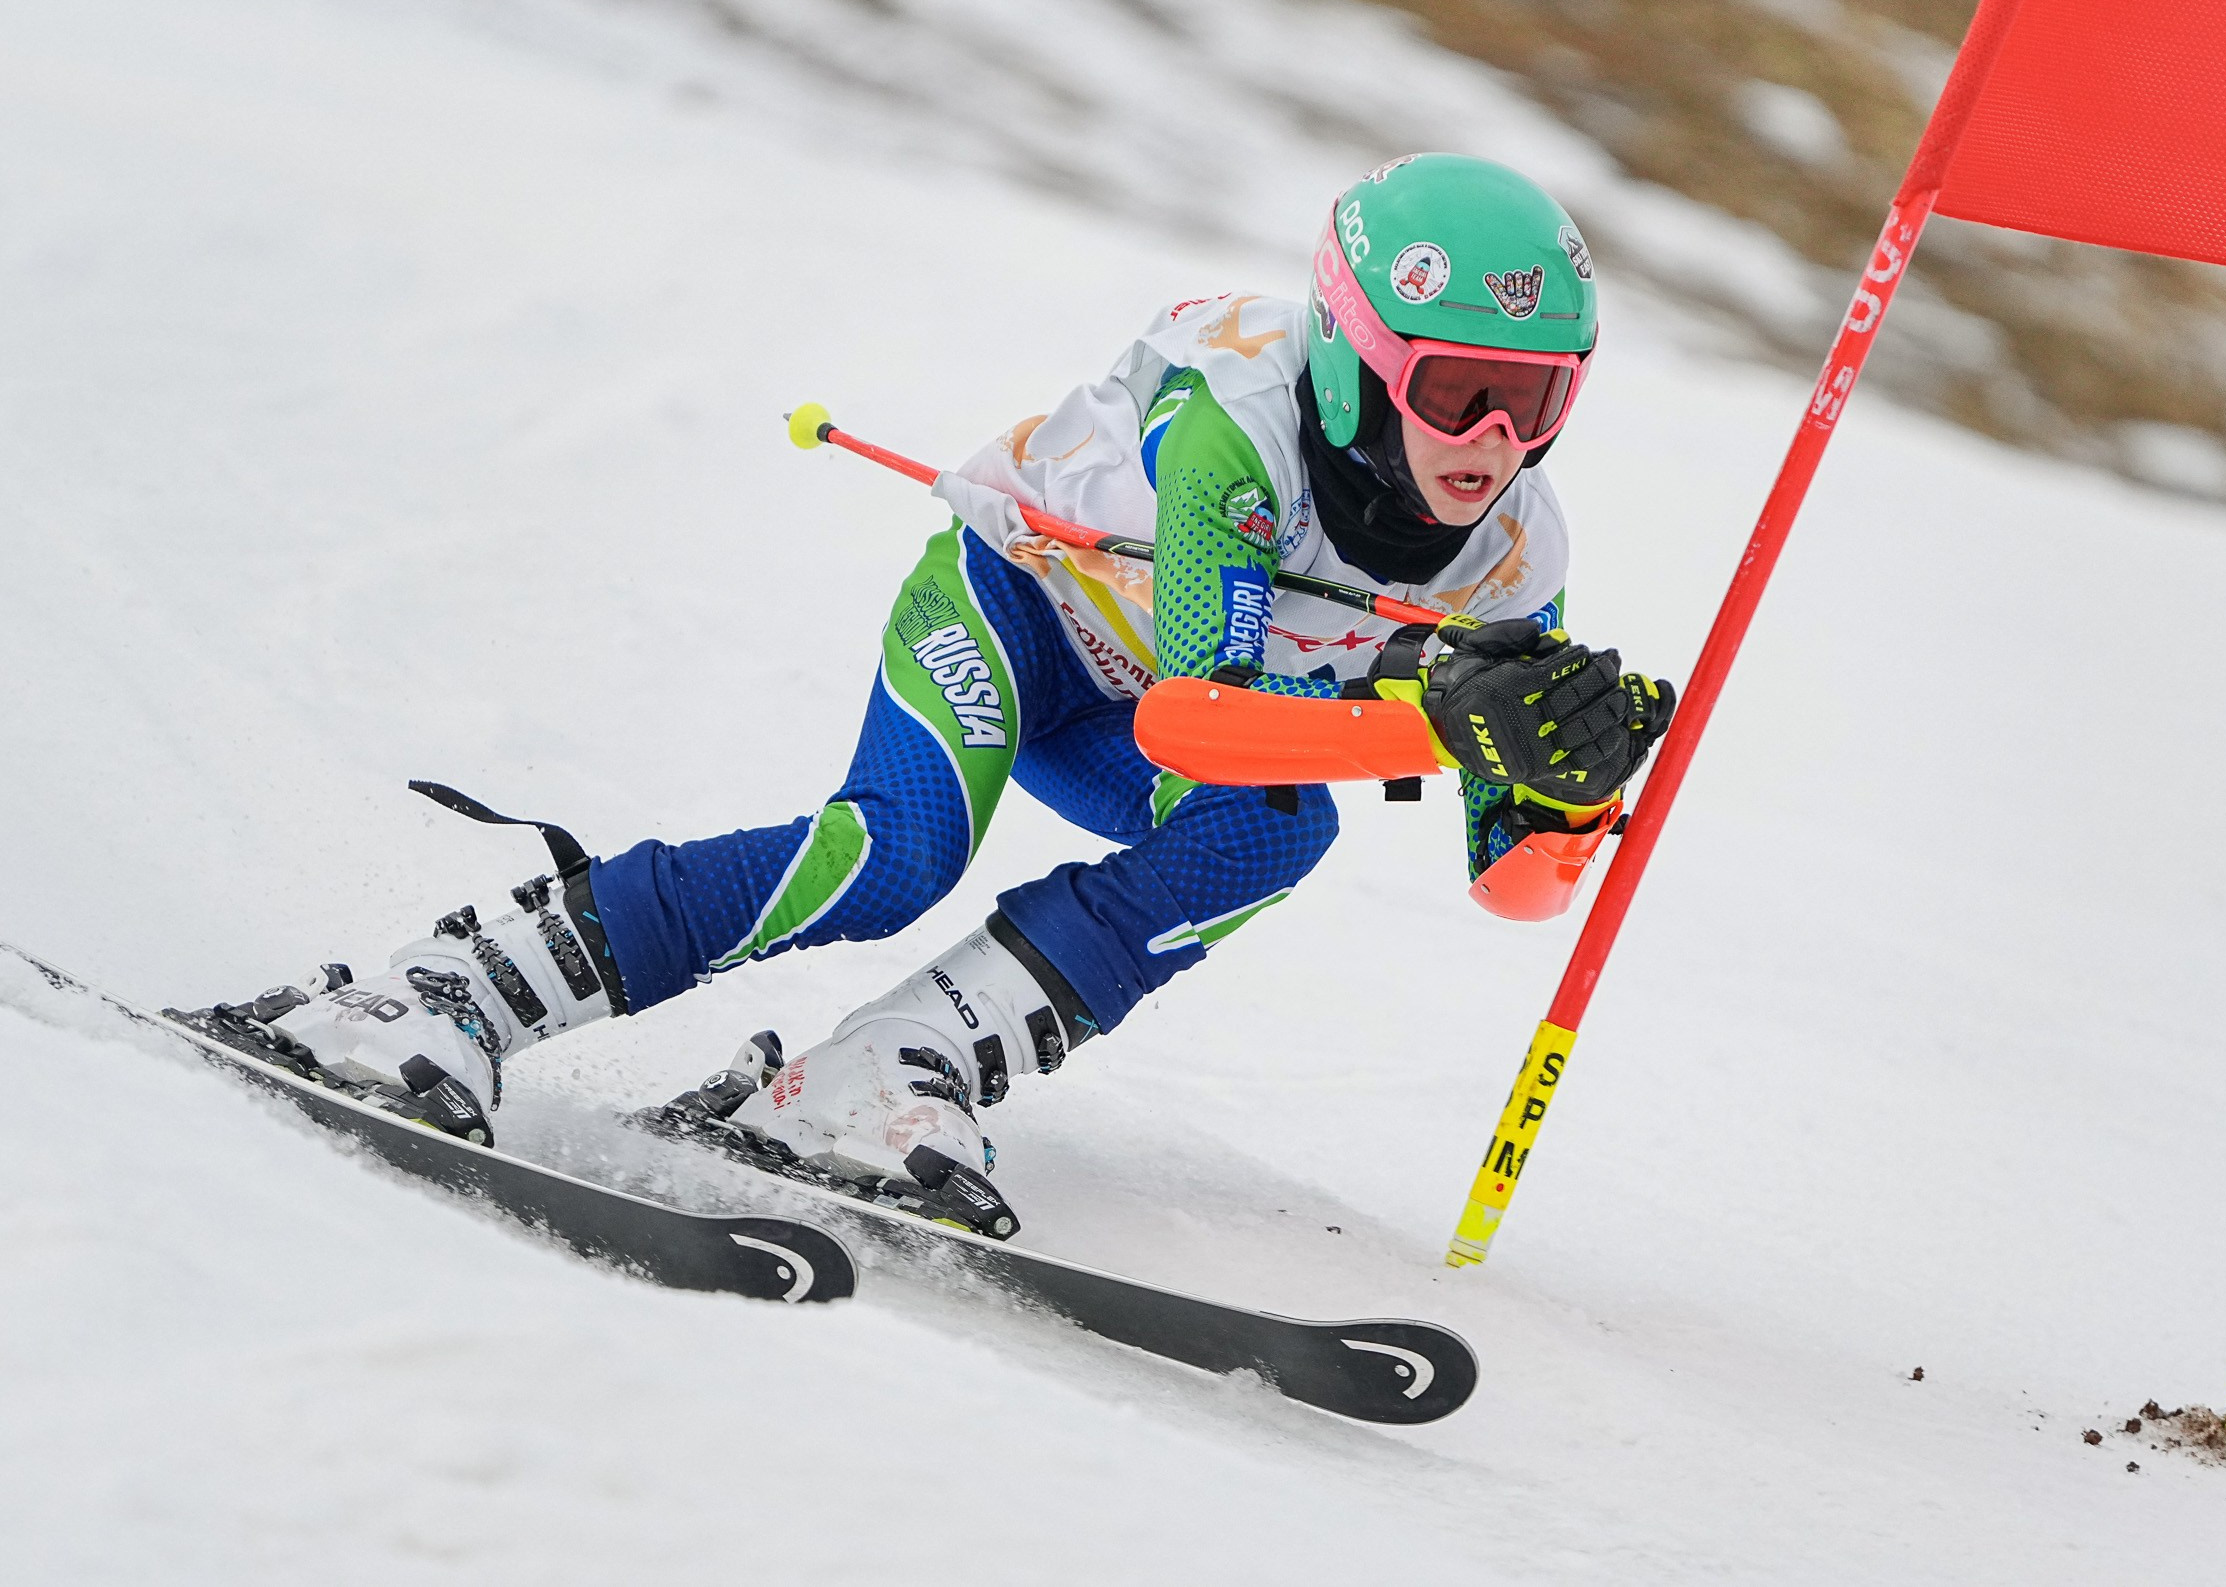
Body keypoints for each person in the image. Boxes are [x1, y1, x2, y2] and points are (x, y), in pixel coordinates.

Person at [179, 154, 1674, 1235]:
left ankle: (882, 1076)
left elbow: (1516, 894)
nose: (1490, 435)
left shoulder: (1518, 552)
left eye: (1536, 398)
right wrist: (1434, 717)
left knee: (1277, 832)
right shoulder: (1240, 428)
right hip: (1017, 622)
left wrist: (1570, 785)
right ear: (1353, 362)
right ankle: (441, 995)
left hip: (1132, 707)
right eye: (1453, 387)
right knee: (899, 852)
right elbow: (1185, 719)